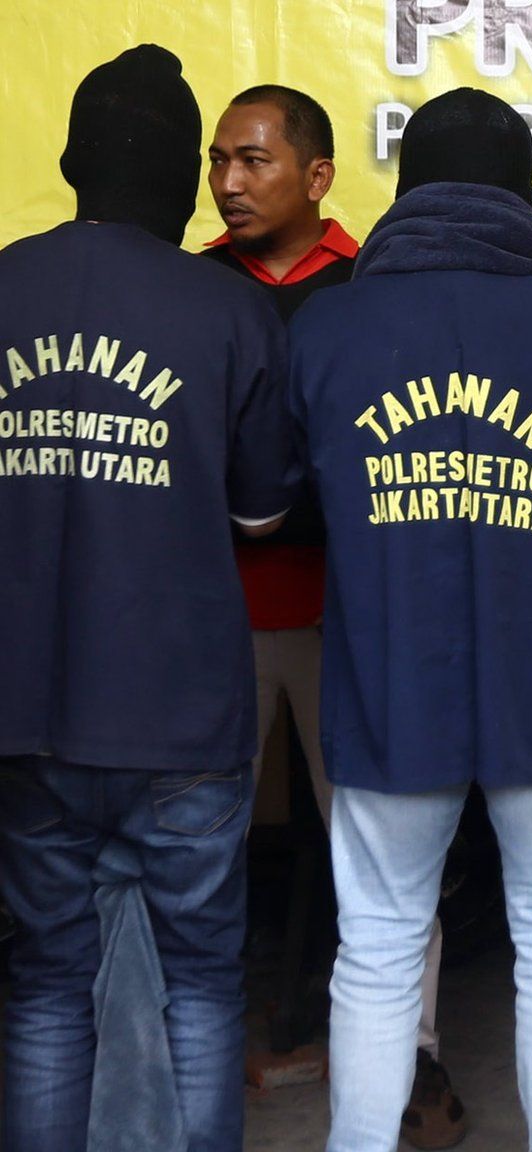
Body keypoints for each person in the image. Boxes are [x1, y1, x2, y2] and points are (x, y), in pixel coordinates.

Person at [288, 89, 532, 1152]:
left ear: (407, 190)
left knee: (375, 945)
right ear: (522, 194)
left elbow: (275, 492)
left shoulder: (326, 323)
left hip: (389, 680)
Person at [0, 45, 298, 1152]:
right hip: (179, 714)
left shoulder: (3, 284)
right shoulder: (226, 312)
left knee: (43, 984)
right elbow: (263, 512)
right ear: (185, 178)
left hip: (25, 706)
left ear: (72, 162)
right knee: (204, 986)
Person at [202, 84, 470, 1149]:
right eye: (219, 160)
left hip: (350, 623)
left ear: (317, 176)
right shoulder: (194, 290)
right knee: (191, 854)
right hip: (212, 616)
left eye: (255, 161)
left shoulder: (370, 291)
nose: (229, 182)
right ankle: (192, 1060)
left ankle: (415, 1063)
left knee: (386, 862)